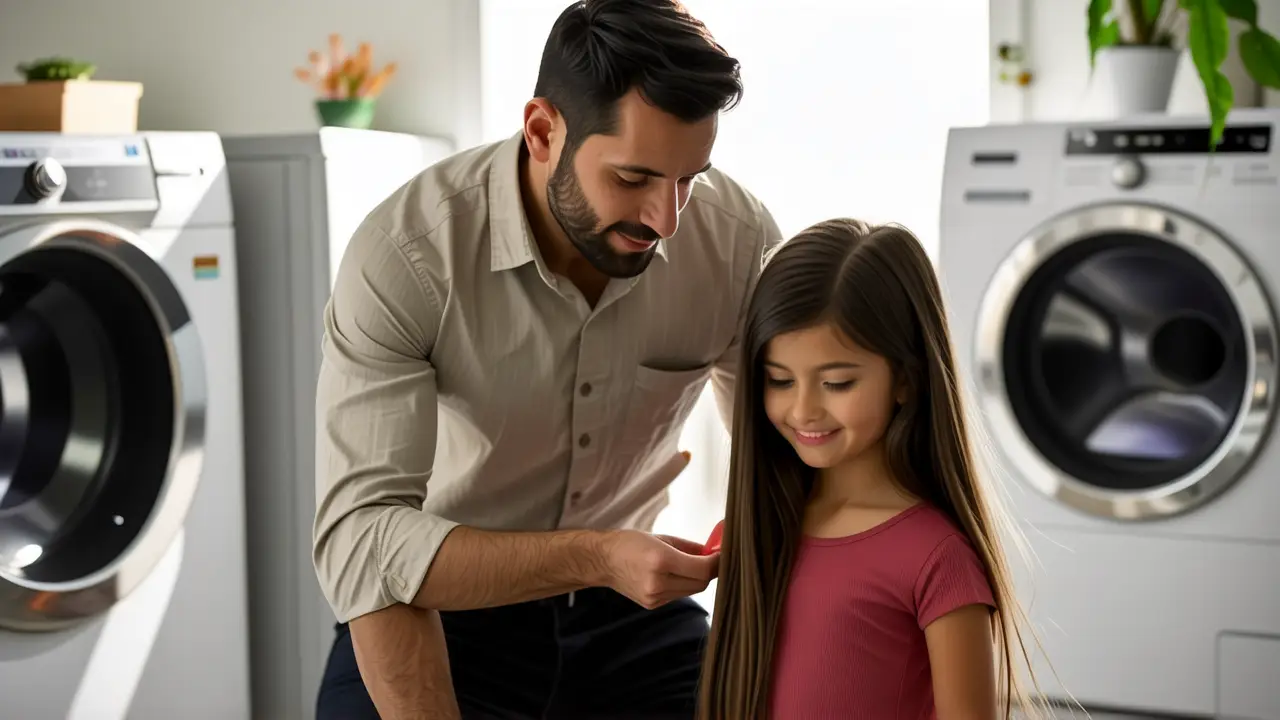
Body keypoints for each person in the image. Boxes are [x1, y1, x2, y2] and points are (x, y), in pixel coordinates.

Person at [311, 1, 781, 718]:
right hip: (446, 607)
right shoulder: (407, 255)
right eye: (633, 179)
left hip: (632, 614)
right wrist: (596, 555)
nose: (667, 220)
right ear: (542, 132)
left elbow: (789, 450)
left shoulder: (737, 241)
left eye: (690, 179)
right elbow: (366, 541)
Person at [695, 219, 1056, 719]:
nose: (803, 410)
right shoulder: (760, 529)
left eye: (837, 383)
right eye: (779, 380)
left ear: (906, 379)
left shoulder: (938, 558)